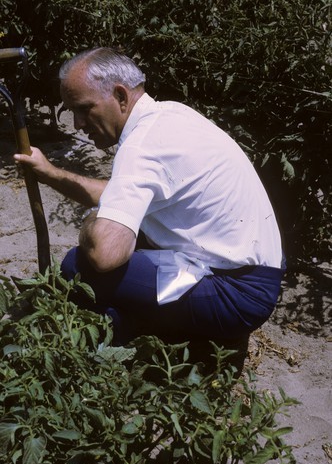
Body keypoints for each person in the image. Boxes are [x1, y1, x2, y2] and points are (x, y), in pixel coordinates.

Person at [14, 47, 285, 347]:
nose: (77, 123)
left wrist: (92, 222)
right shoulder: (169, 116)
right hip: (258, 273)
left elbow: (106, 254)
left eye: (83, 108)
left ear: (120, 95)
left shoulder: (141, 146)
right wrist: (50, 172)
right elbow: (118, 195)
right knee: (132, 231)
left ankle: (135, 330)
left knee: (76, 266)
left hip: (237, 294)